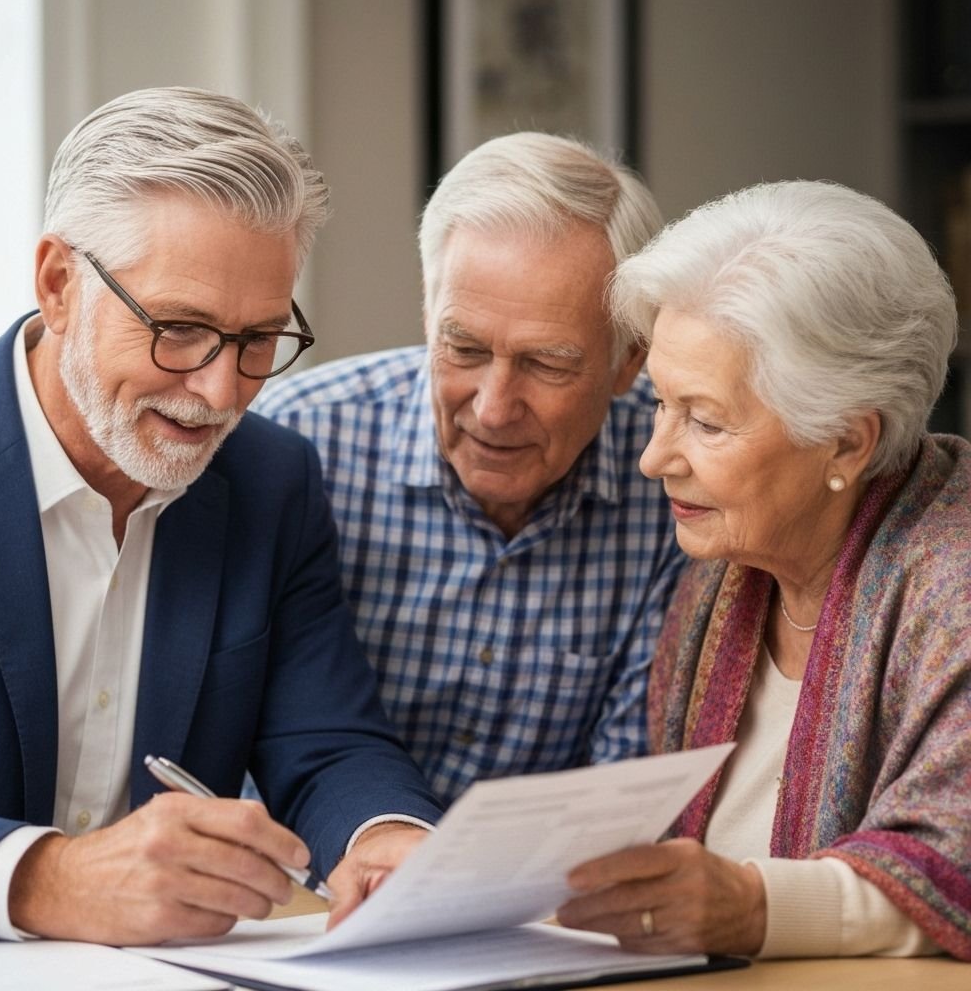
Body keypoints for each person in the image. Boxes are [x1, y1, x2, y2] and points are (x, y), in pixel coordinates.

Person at [0, 86, 443, 948]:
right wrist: (42, 878)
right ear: (60, 285)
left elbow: (327, 744)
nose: (220, 393)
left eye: (259, 341)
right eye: (179, 330)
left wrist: (387, 841)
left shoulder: (271, 479)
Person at [556, 179, 971, 959]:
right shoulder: (724, 578)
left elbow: (960, 867)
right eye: (659, 405)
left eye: (706, 421)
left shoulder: (956, 588)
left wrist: (754, 908)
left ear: (847, 442)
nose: (653, 459)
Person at [256, 133, 686, 805]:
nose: (492, 409)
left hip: (542, 899)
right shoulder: (299, 442)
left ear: (629, 360)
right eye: (463, 347)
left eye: (547, 363)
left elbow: (625, 792)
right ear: (428, 316)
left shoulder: (670, 488)